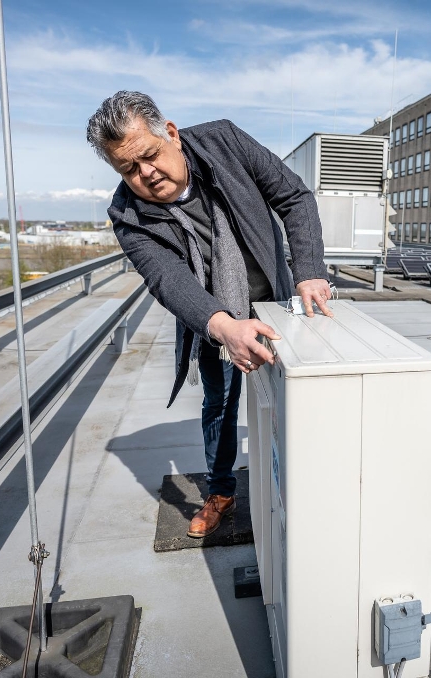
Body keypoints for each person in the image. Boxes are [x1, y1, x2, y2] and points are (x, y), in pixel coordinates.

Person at [86, 91, 333, 538]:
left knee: (289, 396)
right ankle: (221, 491)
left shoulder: (225, 142)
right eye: (128, 169)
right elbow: (167, 279)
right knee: (219, 401)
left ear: (172, 135)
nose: (146, 174)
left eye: (149, 156)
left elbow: (294, 196)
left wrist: (310, 271)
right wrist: (224, 328)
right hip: (212, 318)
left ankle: (301, 482)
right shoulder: (127, 214)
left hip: (277, 300)